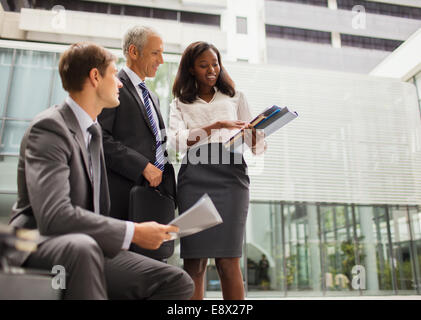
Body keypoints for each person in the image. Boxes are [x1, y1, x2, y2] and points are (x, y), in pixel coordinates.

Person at [7, 42, 194, 300]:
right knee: (83, 250)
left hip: (85, 245)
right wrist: (135, 232)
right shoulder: (50, 129)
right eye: (113, 74)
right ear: (95, 77)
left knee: (177, 281)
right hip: (36, 243)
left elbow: (94, 214)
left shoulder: (93, 134)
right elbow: (54, 217)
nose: (119, 83)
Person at [169, 41, 266, 300]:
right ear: (191, 69)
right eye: (204, 65)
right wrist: (216, 125)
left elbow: (257, 148)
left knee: (228, 260)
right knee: (194, 261)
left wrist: (256, 137)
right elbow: (176, 140)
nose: (212, 69)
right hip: (194, 178)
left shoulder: (236, 97)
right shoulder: (180, 102)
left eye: (215, 64)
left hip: (231, 178)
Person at [98, 26, 176, 240]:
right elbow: (101, 140)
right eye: (155, 52)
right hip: (124, 198)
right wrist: (141, 166)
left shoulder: (152, 95)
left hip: (153, 197)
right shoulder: (113, 87)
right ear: (133, 52)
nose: (161, 60)